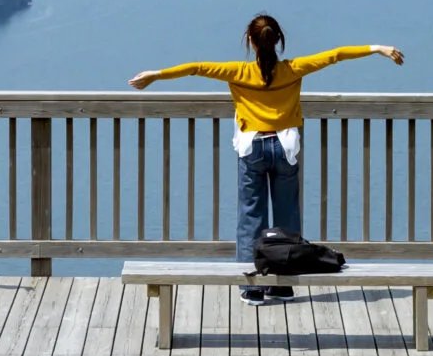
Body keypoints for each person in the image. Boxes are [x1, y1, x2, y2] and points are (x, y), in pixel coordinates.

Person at [127, 15, 404, 304]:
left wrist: (155, 75)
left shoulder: (238, 72)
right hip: (285, 148)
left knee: (251, 216)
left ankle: (252, 286)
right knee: (286, 217)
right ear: (279, 41)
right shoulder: (293, 69)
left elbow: (195, 68)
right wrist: (377, 48)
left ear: (250, 41)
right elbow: (335, 55)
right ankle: (282, 284)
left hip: (252, 148)